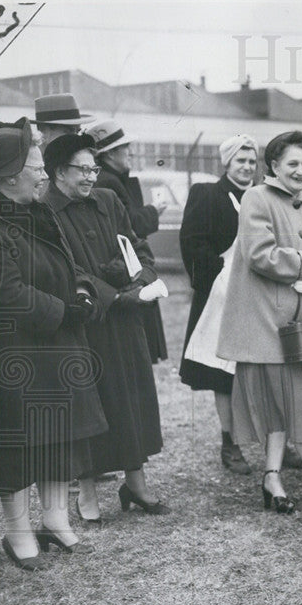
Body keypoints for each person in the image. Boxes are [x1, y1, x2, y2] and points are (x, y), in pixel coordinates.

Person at [0, 120, 107, 568]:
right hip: (16, 353)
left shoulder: (41, 211)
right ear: (10, 174)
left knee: (56, 437)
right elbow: (5, 292)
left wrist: (85, 292)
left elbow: (72, 265)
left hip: (56, 346)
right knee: (17, 447)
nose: (43, 175)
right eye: (36, 166)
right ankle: (17, 534)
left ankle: (54, 520)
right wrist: (64, 310)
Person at [217, 131, 302, 513]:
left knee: (285, 402)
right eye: (293, 163)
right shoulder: (256, 198)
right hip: (265, 320)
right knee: (293, 399)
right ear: (273, 165)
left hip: (295, 319)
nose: (301, 171)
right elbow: (261, 254)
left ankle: (272, 477)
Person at [42, 134, 168, 520]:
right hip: (88, 325)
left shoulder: (110, 200)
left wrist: (141, 278)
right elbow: (69, 272)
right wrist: (120, 292)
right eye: (83, 169)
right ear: (59, 171)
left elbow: (137, 248)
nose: (91, 176)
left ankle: (136, 484)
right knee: (94, 405)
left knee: (132, 401)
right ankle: (88, 496)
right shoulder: (46, 211)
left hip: (127, 324)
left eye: (94, 168)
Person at [178, 133, 258, 475]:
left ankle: (276, 443)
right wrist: (219, 272)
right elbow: (192, 242)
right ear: (226, 163)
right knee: (223, 373)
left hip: (259, 297)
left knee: (262, 370)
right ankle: (231, 442)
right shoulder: (208, 194)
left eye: (253, 161)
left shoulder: (262, 197)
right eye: (241, 160)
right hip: (221, 297)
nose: (247, 167)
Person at [84, 119, 169, 363]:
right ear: (110, 154)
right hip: (126, 271)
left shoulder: (112, 180)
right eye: (124, 148)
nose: (128, 152)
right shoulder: (110, 183)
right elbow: (131, 224)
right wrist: (154, 210)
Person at [29, 93, 94, 149]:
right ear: (44, 130)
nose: (76, 138)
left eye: (77, 131)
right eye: (68, 132)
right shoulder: (27, 159)